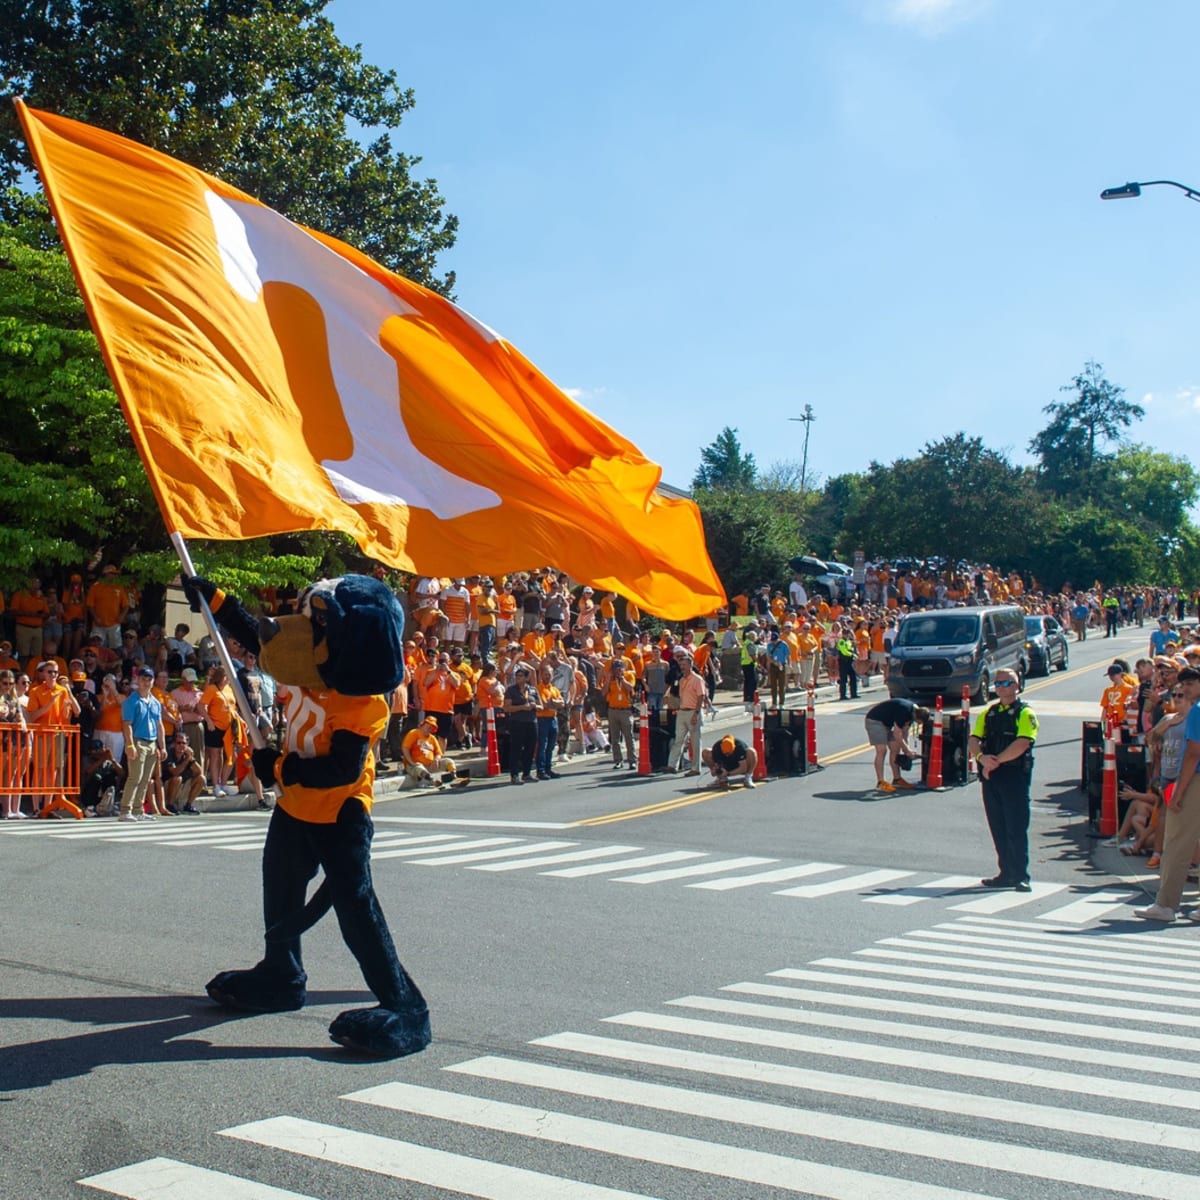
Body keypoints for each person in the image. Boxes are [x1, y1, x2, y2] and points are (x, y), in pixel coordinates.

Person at [1135, 666, 1200, 922]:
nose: (1184, 690)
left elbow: (1193, 754)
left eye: (1188, 685)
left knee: (1176, 843)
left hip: (1195, 780)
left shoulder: (1196, 712)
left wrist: (1178, 793)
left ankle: (1166, 905)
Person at [967, 669, 1038, 891]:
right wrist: (981, 757)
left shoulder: (1025, 713)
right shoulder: (989, 713)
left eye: (1007, 682)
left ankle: (1020, 875)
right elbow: (974, 739)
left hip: (1013, 775)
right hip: (991, 775)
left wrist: (994, 762)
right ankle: (1005, 872)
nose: (1002, 687)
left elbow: (1023, 743)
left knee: (1016, 827)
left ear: (1017, 685)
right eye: (998, 684)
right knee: (997, 825)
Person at [118, 666, 166, 822]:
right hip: (138, 741)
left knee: (145, 778)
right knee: (135, 777)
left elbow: (159, 725)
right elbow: (127, 724)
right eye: (143, 679)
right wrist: (130, 745)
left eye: (149, 679)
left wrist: (162, 746)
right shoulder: (132, 700)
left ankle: (138, 809)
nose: (146, 682)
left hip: (152, 742)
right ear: (138, 680)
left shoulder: (155, 702)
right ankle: (126, 809)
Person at [863, 698, 927, 793]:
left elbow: (905, 732)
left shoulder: (913, 712)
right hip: (875, 720)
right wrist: (908, 751)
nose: (918, 724)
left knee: (895, 748)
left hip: (887, 723)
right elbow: (897, 734)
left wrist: (906, 750)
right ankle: (881, 782)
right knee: (882, 750)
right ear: (915, 716)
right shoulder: (904, 711)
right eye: (918, 722)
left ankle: (897, 779)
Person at [665, 653, 707, 775]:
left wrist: (697, 713)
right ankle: (672, 765)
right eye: (681, 664)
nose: (682, 667)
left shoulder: (697, 679)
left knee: (695, 741)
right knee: (679, 739)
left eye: (684, 664)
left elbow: (701, 696)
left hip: (693, 711)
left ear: (690, 665)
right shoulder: (681, 680)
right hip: (682, 711)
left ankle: (695, 768)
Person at [503, 665, 539, 784]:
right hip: (517, 722)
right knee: (516, 748)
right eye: (517, 676)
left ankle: (527, 773)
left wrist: (535, 706)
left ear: (527, 678)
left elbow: (541, 706)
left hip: (531, 721)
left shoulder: (532, 690)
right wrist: (522, 707)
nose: (518, 678)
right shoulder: (511, 690)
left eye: (521, 676)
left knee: (530, 748)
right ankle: (514, 775)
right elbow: (507, 707)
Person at [163, 731, 205, 813]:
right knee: (177, 778)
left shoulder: (187, 755)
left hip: (182, 787)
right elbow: (175, 772)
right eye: (179, 743)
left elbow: (199, 771)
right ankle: (170, 805)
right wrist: (186, 760)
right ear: (174, 744)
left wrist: (191, 758)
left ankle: (188, 805)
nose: (181, 745)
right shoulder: (169, 754)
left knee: (201, 778)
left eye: (184, 743)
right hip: (167, 786)